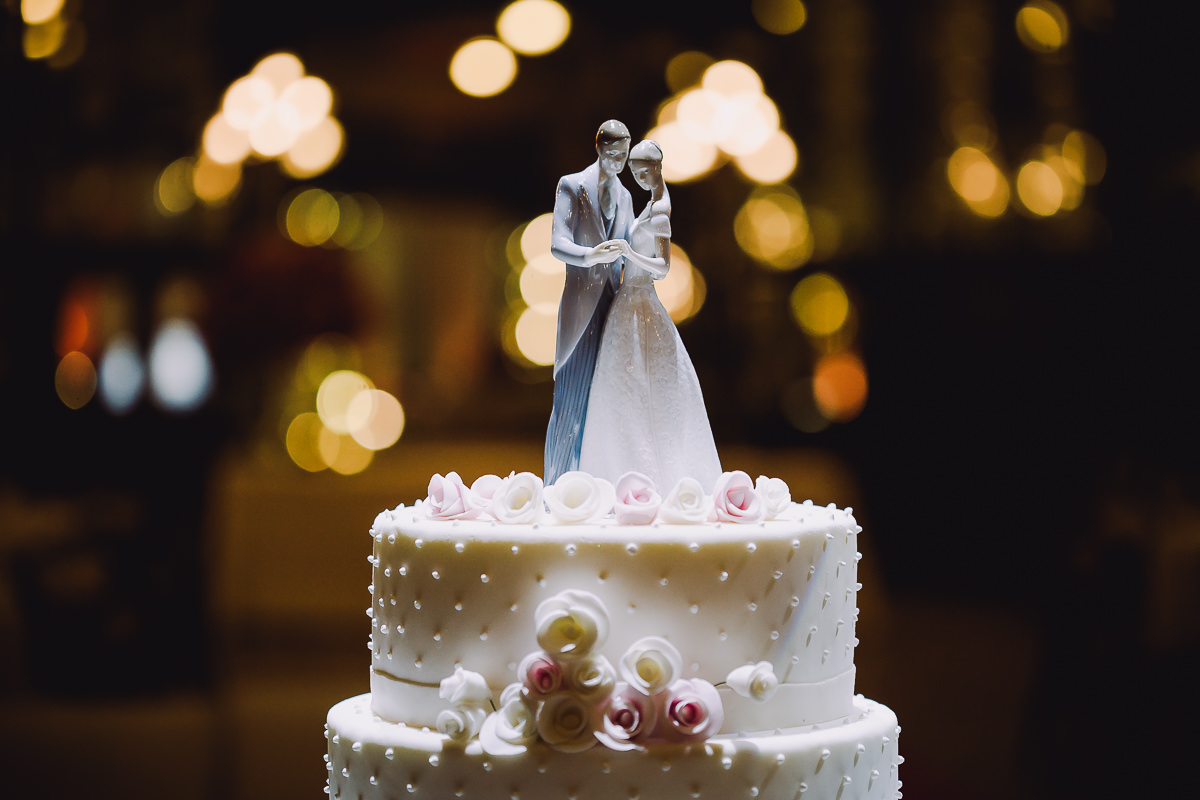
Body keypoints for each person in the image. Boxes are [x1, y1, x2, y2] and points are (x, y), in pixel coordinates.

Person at [578, 140, 721, 492]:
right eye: (636, 174)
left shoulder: (660, 212)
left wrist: (628, 252)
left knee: (647, 377)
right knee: (623, 378)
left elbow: (662, 267)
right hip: (628, 299)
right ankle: (618, 463)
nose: (640, 179)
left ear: (657, 168)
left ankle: (656, 472)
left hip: (642, 298)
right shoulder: (648, 206)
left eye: (643, 173)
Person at [543, 120, 636, 485]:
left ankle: (598, 484)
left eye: (623, 156)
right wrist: (591, 255)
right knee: (571, 398)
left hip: (615, 303)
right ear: (599, 148)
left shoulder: (626, 197)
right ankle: (557, 484)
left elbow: (628, 247)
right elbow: (557, 242)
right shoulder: (572, 185)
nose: (617, 161)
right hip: (582, 305)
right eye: (612, 154)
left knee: (608, 398)